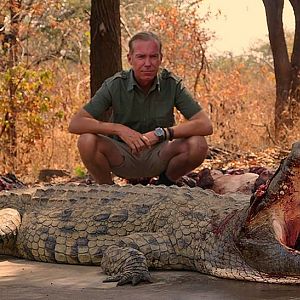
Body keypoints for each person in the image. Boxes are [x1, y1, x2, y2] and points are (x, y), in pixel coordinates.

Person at [68, 31, 213, 185]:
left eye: (153, 56)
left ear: (160, 58)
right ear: (130, 59)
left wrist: (162, 133)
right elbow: (76, 123)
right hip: (122, 155)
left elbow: (205, 125)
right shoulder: (115, 84)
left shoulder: (171, 83)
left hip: (159, 154)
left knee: (198, 143)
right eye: (141, 57)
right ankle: (107, 190)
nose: (148, 63)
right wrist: (118, 129)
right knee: (86, 141)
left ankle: (165, 184)